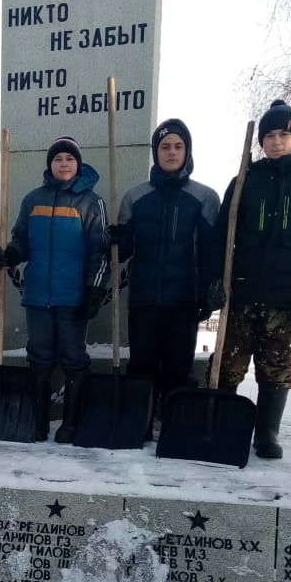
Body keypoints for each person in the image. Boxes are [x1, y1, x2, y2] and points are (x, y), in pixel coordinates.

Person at [213, 99, 291, 459]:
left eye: (283, 135)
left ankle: (266, 434)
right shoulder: (245, 180)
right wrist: (214, 279)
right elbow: (221, 235)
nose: (276, 141)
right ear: (261, 142)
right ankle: (221, 427)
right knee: (228, 363)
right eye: (268, 136)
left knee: (275, 362)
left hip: (286, 294)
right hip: (241, 289)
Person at [0, 136, 109, 443]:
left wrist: (94, 290)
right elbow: (22, 240)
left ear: (78, 164)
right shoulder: (33, 200)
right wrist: (11, 254)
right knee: (39, 358)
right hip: (37, 297)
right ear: (50, 164)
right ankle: (38, 421)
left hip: (72, 298)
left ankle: (71, 423)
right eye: (58, 159)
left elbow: (100, 252)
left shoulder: (92, 202)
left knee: (73, 358)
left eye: (69, 159)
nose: (64, 164)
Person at [113, 118, 221, 438]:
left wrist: (209, 290)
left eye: (178, 146)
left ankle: (176, 426)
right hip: (144, 299)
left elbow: (211, 251)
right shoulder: (135, 197)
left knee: (178, 367)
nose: (171, 152)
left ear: (187, 151)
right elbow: (124, 251)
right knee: (142, 365)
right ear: (155, 152)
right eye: (165, 147)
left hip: (183, 300)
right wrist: (116, 240)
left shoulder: (204, 198)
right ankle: (140, 424)